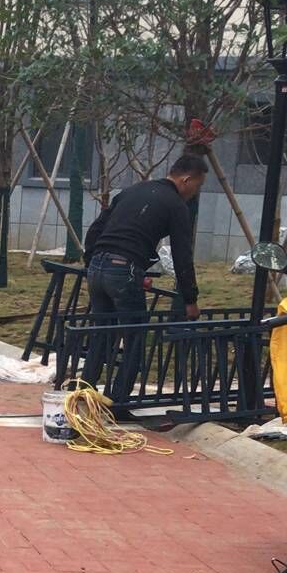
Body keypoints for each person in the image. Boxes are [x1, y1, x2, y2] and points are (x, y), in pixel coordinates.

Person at [81, 152, 208, 406]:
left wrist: (92, 262)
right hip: (125, 268)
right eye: (197, 185)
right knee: (135, 337)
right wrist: (190, 299)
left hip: (97, 265)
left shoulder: (132, 191)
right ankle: (117, 403)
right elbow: (182, 255)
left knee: (101, 333)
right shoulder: (176, 205)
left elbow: (95, 229)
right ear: (186, 179)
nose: (196, 192)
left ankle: (83, 393)